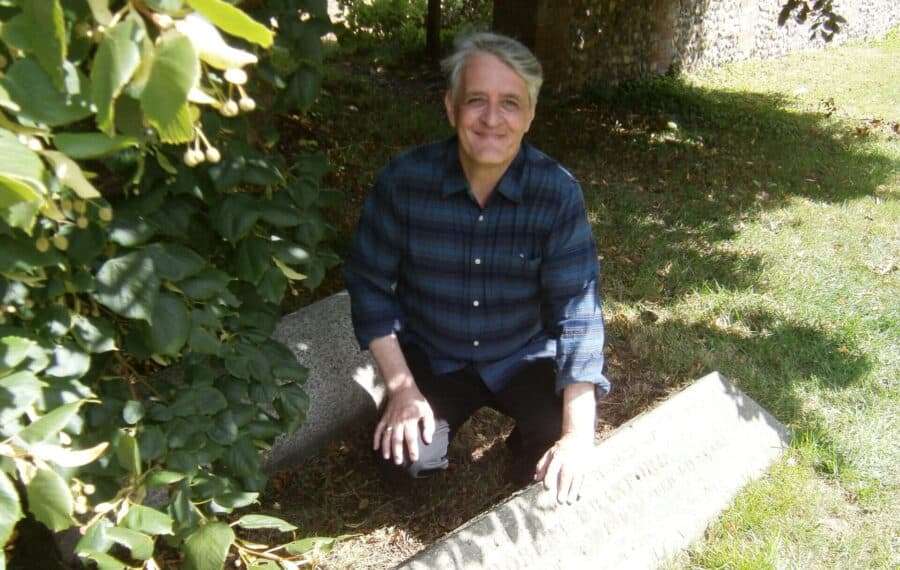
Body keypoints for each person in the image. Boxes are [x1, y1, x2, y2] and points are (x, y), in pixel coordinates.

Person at [344, 32, 609, 505]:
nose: (491, 119)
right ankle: (427, 430)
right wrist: (402, 390)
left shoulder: (557, 193)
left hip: (523, 354)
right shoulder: (404, 183)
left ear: (529, 115)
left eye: (510, 103)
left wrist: (577, 435)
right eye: (476, 101)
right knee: (402, 461)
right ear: (450, 108)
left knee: (551, 466)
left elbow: (579, 314)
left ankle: (525, 444)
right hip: (436, 351)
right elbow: (368, 287)